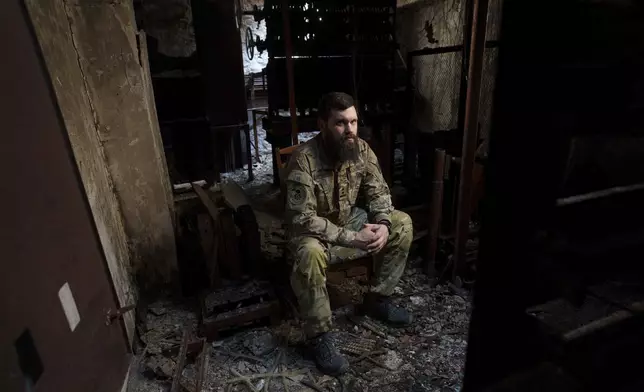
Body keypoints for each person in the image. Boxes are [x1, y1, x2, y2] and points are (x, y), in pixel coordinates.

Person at [283, 92, 413, 375]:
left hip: (347, 221)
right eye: (341, 123)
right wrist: (352, 238)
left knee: (402, 223)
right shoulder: (303, 160)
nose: (350, 130)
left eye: (353, 121)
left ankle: (377, 299)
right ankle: (320, 336)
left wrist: (383, 224)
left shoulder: (362, 149)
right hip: (314, 233)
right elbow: (302, 219)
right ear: (323, 124)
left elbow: (378, 192)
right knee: (310, 252)